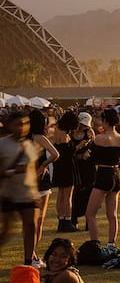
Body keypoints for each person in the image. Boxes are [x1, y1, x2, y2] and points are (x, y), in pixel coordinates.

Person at [0, 112, 41, 267]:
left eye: (25, 123)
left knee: (31, 226)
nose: (22, 128)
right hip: (9, 194)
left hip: (28, 194)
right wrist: (10, 171)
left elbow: (32, 169)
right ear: (10, 125)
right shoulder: (2, 144)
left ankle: (29, 263)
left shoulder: (30, 145)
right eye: (18, 124)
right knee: (6, 230)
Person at [84, 108, 120, 249]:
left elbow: (91, 156)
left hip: (103, 174)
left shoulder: (101, 138)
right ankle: (111, 243)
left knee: (90, 214)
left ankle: (94, 243)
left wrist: (92, 138)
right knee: (112, 214)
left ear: (106, 121)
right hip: (116, 174)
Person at [27, 109, 58, 266]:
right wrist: (44, 165)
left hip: (27, 180)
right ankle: (33, 255)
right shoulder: (39, 137)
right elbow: (55, 154)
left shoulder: (24, 138)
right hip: (40, 180)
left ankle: (30, 254)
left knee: (30, 221)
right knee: (39, 221)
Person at [49, 112, 80, 233]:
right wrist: (79, 146)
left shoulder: (57, 131)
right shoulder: (65, 135)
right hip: (67, 166)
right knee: (68, 196)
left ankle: (61, 220)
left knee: (60, 195)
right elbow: (69, 153)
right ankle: (67, 220)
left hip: (59, 166)